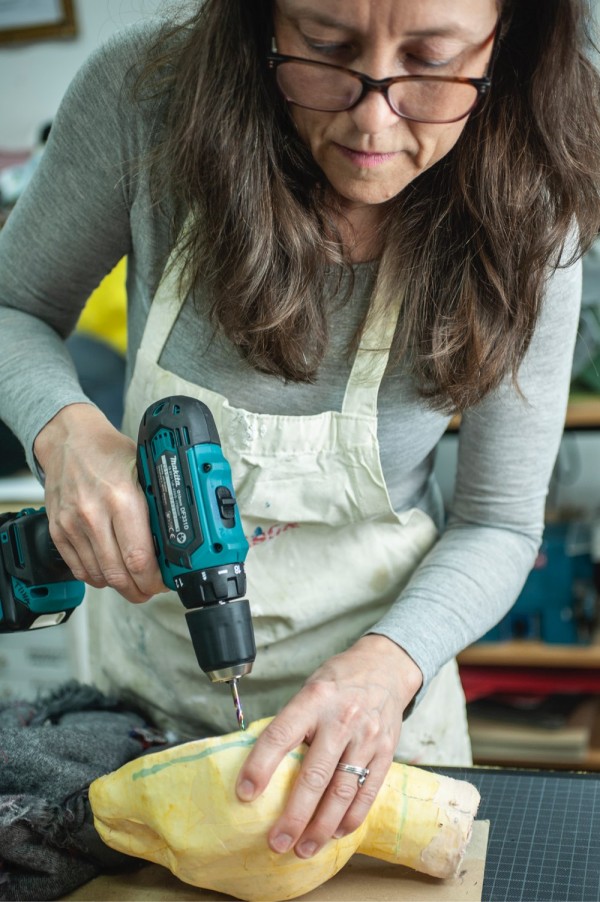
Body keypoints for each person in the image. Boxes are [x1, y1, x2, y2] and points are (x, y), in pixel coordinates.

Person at [0, 0, 599, 866]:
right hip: (142, 705)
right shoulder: (147, 100)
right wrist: (67, 435)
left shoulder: (535, 202)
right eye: (327, 47)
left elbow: (498, 524)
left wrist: (387, 669)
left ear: (511, 40)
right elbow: (14, 304)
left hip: (381, 718)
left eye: (430, 61)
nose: (373, 117)